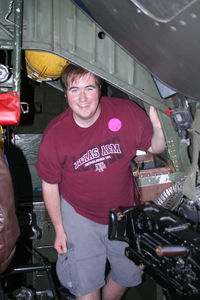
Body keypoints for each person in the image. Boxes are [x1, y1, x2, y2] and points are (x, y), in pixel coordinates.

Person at [35, 64, 166, 300]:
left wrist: (158, 128)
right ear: (65, 94)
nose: (83, 98)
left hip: (123, 213)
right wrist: (59, 230)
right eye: (74, 90)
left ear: (100, 89)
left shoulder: (126, 113)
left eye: (89, 88)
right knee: (86, 290)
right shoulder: (55, 135)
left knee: (128, 274)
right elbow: (49, 184)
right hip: (80, 215)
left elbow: (154, 147)